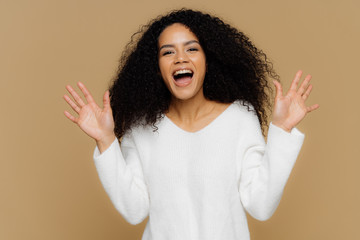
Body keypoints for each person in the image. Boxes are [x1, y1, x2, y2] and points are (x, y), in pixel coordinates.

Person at [63, 8, 319, 240]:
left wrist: (282, 131)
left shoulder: (240, 118)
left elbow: (260, 206)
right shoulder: (140, 128)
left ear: (209, 60)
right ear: (157, 67)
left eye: (192, 49)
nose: (180, 58)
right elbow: (134, 210)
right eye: (168, 52)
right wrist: (106, 141)